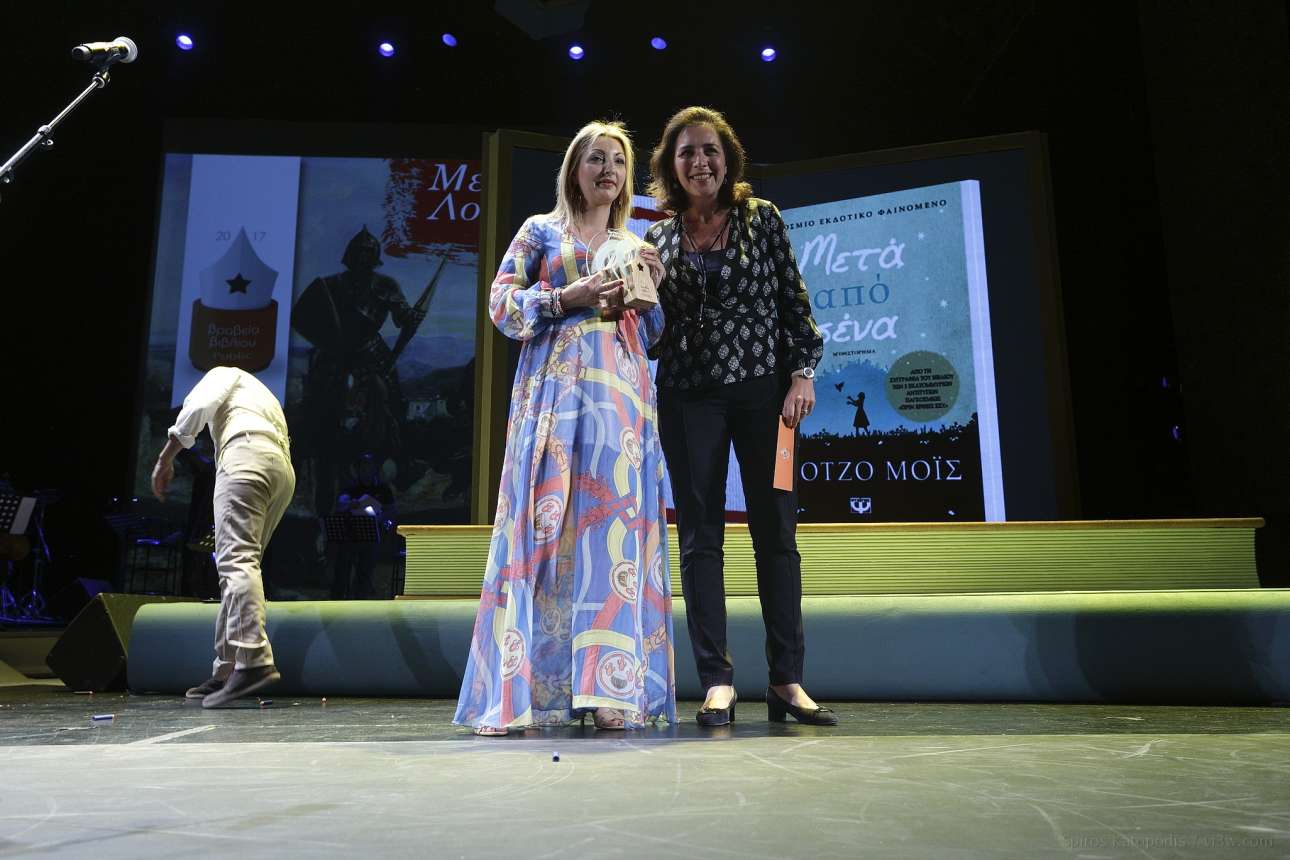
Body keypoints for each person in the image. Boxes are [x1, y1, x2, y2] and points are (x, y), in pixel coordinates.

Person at [454, 120, 676, 735]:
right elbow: (501, 304)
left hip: (621, 400)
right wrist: (564, 297)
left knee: (613, 531)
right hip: (554, 394)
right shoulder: (540, 231)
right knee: (544, 526)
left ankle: (610, 689)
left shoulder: (633, 243)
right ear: (574, 169)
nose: (609, 170)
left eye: (619, 161)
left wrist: (651, 291)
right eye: (596, 158)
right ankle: (529, 689)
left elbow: (652, 335)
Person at [645, 106, 837, 726]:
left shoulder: (762, 218)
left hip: (764, 395)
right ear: (671, 166)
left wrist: (802, 373)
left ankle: (787, 680)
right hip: (687, 396)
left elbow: (794, 303)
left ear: (728, 159)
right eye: (687, 153)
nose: (700, 162)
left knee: (776, 535)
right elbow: (651, 335)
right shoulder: (657, 240)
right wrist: (639, 296)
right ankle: (717, 682)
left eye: (710, 150)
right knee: (700, 538)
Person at [152, 366, 296, 708]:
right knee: (241, 567)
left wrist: (164, 459)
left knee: (236, 563)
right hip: (281, 467)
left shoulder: (223, 373)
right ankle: (227, 670)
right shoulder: (261, 393)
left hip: (245, 456)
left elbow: (200, 405)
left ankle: (253, 660)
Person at [330, 452, 395, 599]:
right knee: (343, 565)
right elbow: (341, 504)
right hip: (351, 536)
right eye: (363, 467)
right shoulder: (351, 487)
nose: (366, 470)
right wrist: (350, 504)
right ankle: (338, 596)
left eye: (369, 467)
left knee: (365, 570)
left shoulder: (383, 489)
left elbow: (391, 512)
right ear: (358, 469)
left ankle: (361, 596)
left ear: (375, 469)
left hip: (373, 536)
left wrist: (383, 520)